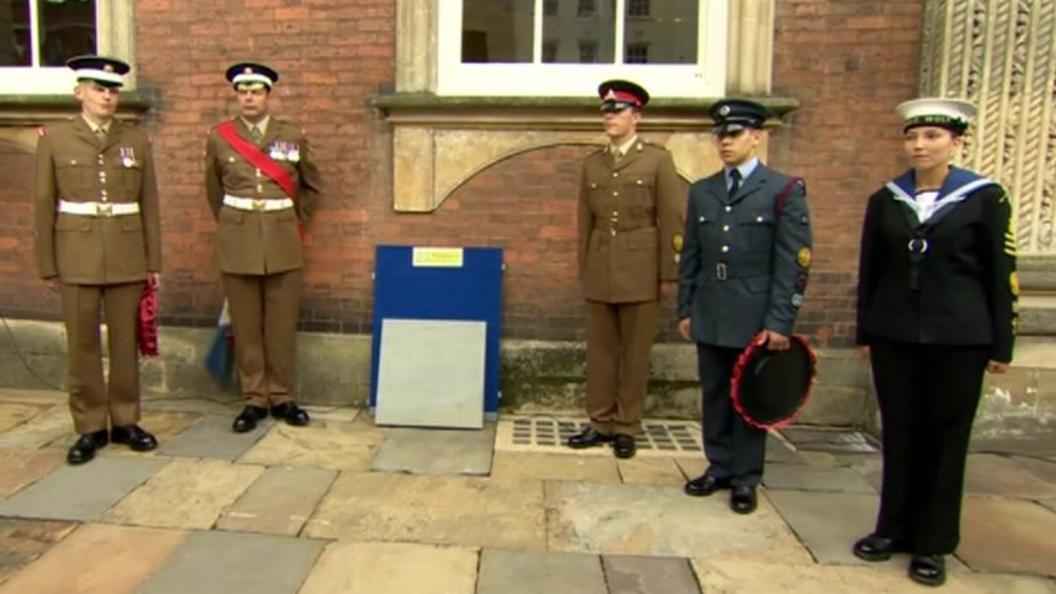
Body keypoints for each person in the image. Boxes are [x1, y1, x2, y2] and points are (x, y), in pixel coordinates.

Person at [852, 98, 1017, 587]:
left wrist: (1001, 344)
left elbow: (1000, 273)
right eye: (912, 136)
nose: (919, 145)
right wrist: (867, 329)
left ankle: (933, 542)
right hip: (895, 334)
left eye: (931, 137)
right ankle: (892, 528)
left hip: (960, 337)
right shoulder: (885, 200)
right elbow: (871, 271)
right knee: (900, 432)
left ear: (956, 142)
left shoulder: (985, 198)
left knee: (947, 440)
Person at [677, 99, 812, 514]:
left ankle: (746, 477)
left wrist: (780, 320)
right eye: (720, 135)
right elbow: (692, 257)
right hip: (712, 306)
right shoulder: (704, 191)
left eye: (734, 134)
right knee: (715, 391)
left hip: (755, 310)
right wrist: (686, 308)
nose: (725, 142)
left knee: (749, 396)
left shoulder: (783, 190)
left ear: (756, 136)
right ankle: (718, 465)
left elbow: (793, 260)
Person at [34, 55, 162, 464]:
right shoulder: (54, 139)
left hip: (126, 251)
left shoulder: (136, 141)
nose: (106, 97)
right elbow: (43, 204)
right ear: (79, 93)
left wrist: (153, 260)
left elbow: (150, 204)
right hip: (77, 253)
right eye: (98, 89)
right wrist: (48, 264)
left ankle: (125, 420)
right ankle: (90, 426)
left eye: (112, 90)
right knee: (83, 345)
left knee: (126, 342)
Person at [567, 79, 684, 459]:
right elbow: (585, 219)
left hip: (641, 265)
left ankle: (627, 425)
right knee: (600, 351)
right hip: (602, 262)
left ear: (637, 116)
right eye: (606, 111)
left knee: (635, 352)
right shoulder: (593, 164)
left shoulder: (657, 160)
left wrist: (668, 272)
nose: (610, 117)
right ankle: (599, 421)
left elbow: (671, 217)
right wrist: (585, 265)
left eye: (617, 111)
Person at [204, 62, 322, 433]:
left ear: (268, 95)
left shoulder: (292, 135)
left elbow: (312, 185)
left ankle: (282, 395)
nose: (249, 97)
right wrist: (235, 222)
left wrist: (290, 219)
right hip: (238, 239)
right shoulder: (220, 137)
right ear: (236, 96)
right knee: (246, 324)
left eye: (255, 91)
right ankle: (254, 398)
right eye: (243, 91)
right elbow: (213, 190)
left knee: (281, 324)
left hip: (282, 238)